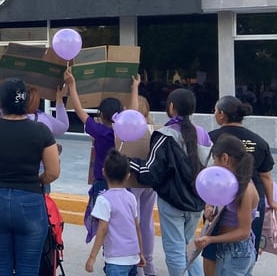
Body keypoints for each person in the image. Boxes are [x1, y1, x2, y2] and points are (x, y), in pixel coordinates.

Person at [0, 79, 60, 276]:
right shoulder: (41, 131)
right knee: (28, 268)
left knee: (0, 266)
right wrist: (38, 181)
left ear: (1, 102)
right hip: (30, 199)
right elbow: (53, 171)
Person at [129, 89, 211, 276]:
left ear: (171, 107)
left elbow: (150, 172)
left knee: (174, 250)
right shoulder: (203, 134)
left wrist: (128, 162)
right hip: (196, 202)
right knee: (189, 248)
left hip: (172, 201)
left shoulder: (164, 134)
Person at [203, 96, 275, 271]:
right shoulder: (258, 141)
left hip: (227, 207)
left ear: (221, 114)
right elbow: (266, 176)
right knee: (247, 252)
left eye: (215, 111)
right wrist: (271, 202)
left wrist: (208, 204)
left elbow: (207, 177)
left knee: (216, 256)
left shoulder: (212, 139)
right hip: (253, 207)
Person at [64, 68, 121, 243]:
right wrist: (134, 88)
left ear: (101, 115)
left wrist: (72, 85)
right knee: (118, 223)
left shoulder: (100, 132)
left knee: (103, 222)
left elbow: (79, 110)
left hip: (102, 183)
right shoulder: (123, 134)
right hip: (121, 183)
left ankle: (108, 251)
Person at [193, 135, 259, 276]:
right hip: (229, 249)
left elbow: (243, 232)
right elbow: (213, 198)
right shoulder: (229, 184)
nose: (214, 165)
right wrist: (208, 208)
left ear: (224, 158)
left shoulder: (245, 189)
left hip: (235, 251)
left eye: (215, 160)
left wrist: (211, 239)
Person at [85, 149, 145, 275]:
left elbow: (102, 229)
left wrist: (92, 257)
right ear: (128, 175)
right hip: (133, 256)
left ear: (104, 172)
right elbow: (136, 227)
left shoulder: (103, 199)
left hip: (116, 259)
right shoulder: (131, 197)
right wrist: (140, 252)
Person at [0, 70, 69, 137]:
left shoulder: (1, 114)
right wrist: (59, 101)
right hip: (36, 165)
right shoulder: (43, 121)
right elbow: (63, 126)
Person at [128, 79, 158, 276]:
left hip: (133, 179)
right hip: (151, 180)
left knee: (134, 222)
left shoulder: (130, 129)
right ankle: (149, 265)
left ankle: (138, 265)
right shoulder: (154, 130)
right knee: (147, 222)